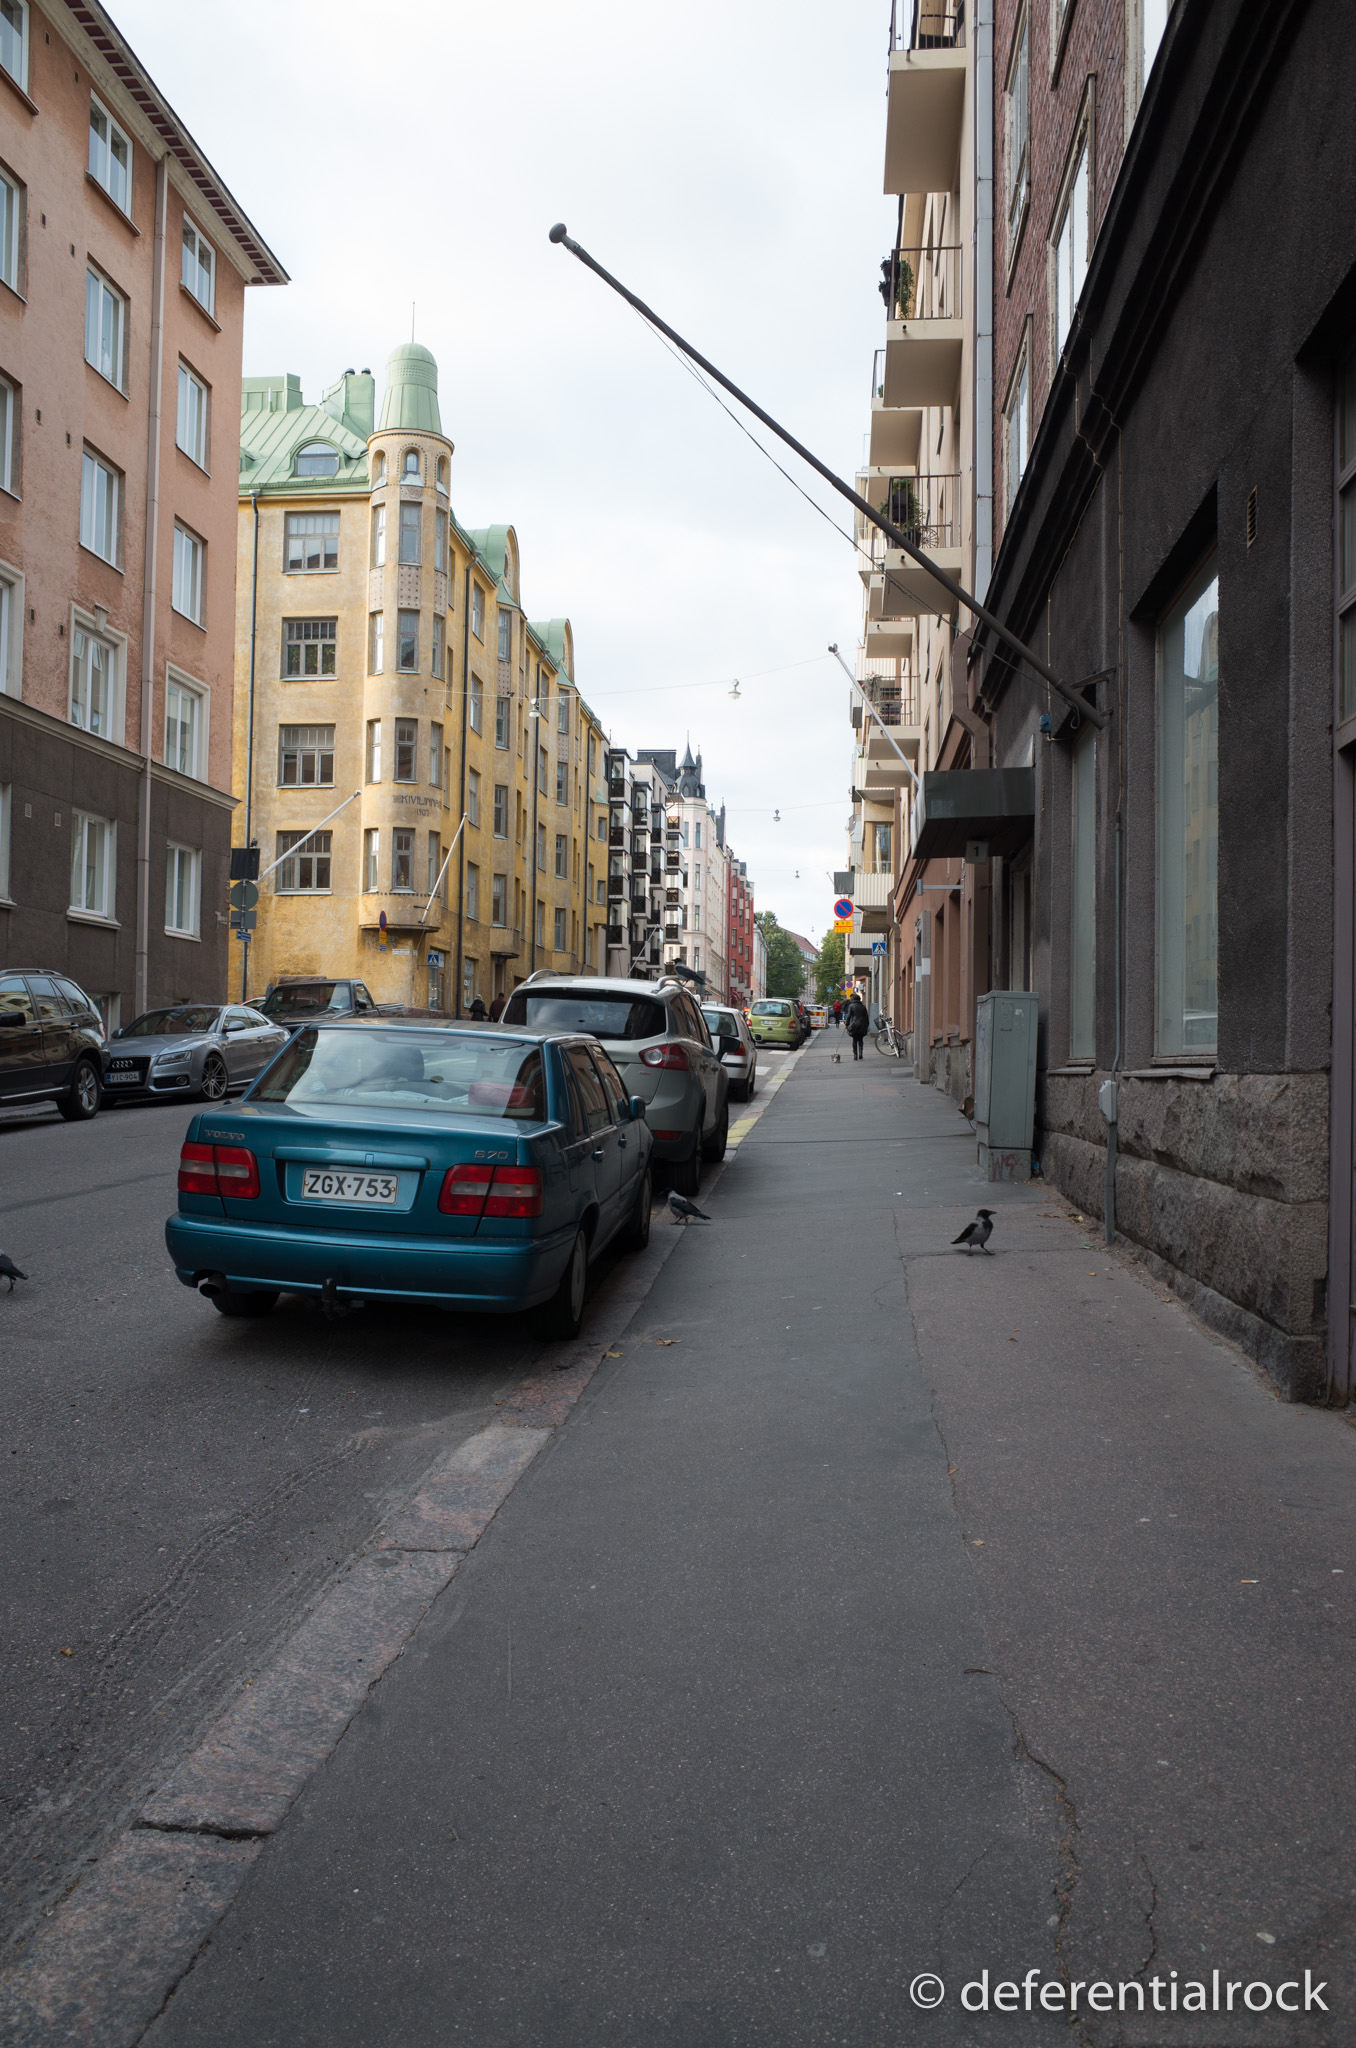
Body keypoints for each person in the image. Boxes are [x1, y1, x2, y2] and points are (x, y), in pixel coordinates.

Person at [844, 992, 870, 1060]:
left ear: (853, 999)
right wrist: (867, 1025)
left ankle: (855, 1055)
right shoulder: (863, 1006)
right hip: (862, 1024)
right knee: (861, 1039)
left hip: (854, 1024)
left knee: (855, 1040)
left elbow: (849, 1016)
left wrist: (846, 1024)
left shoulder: (851, 1006)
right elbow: (866, 1016)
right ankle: (861, 1053)